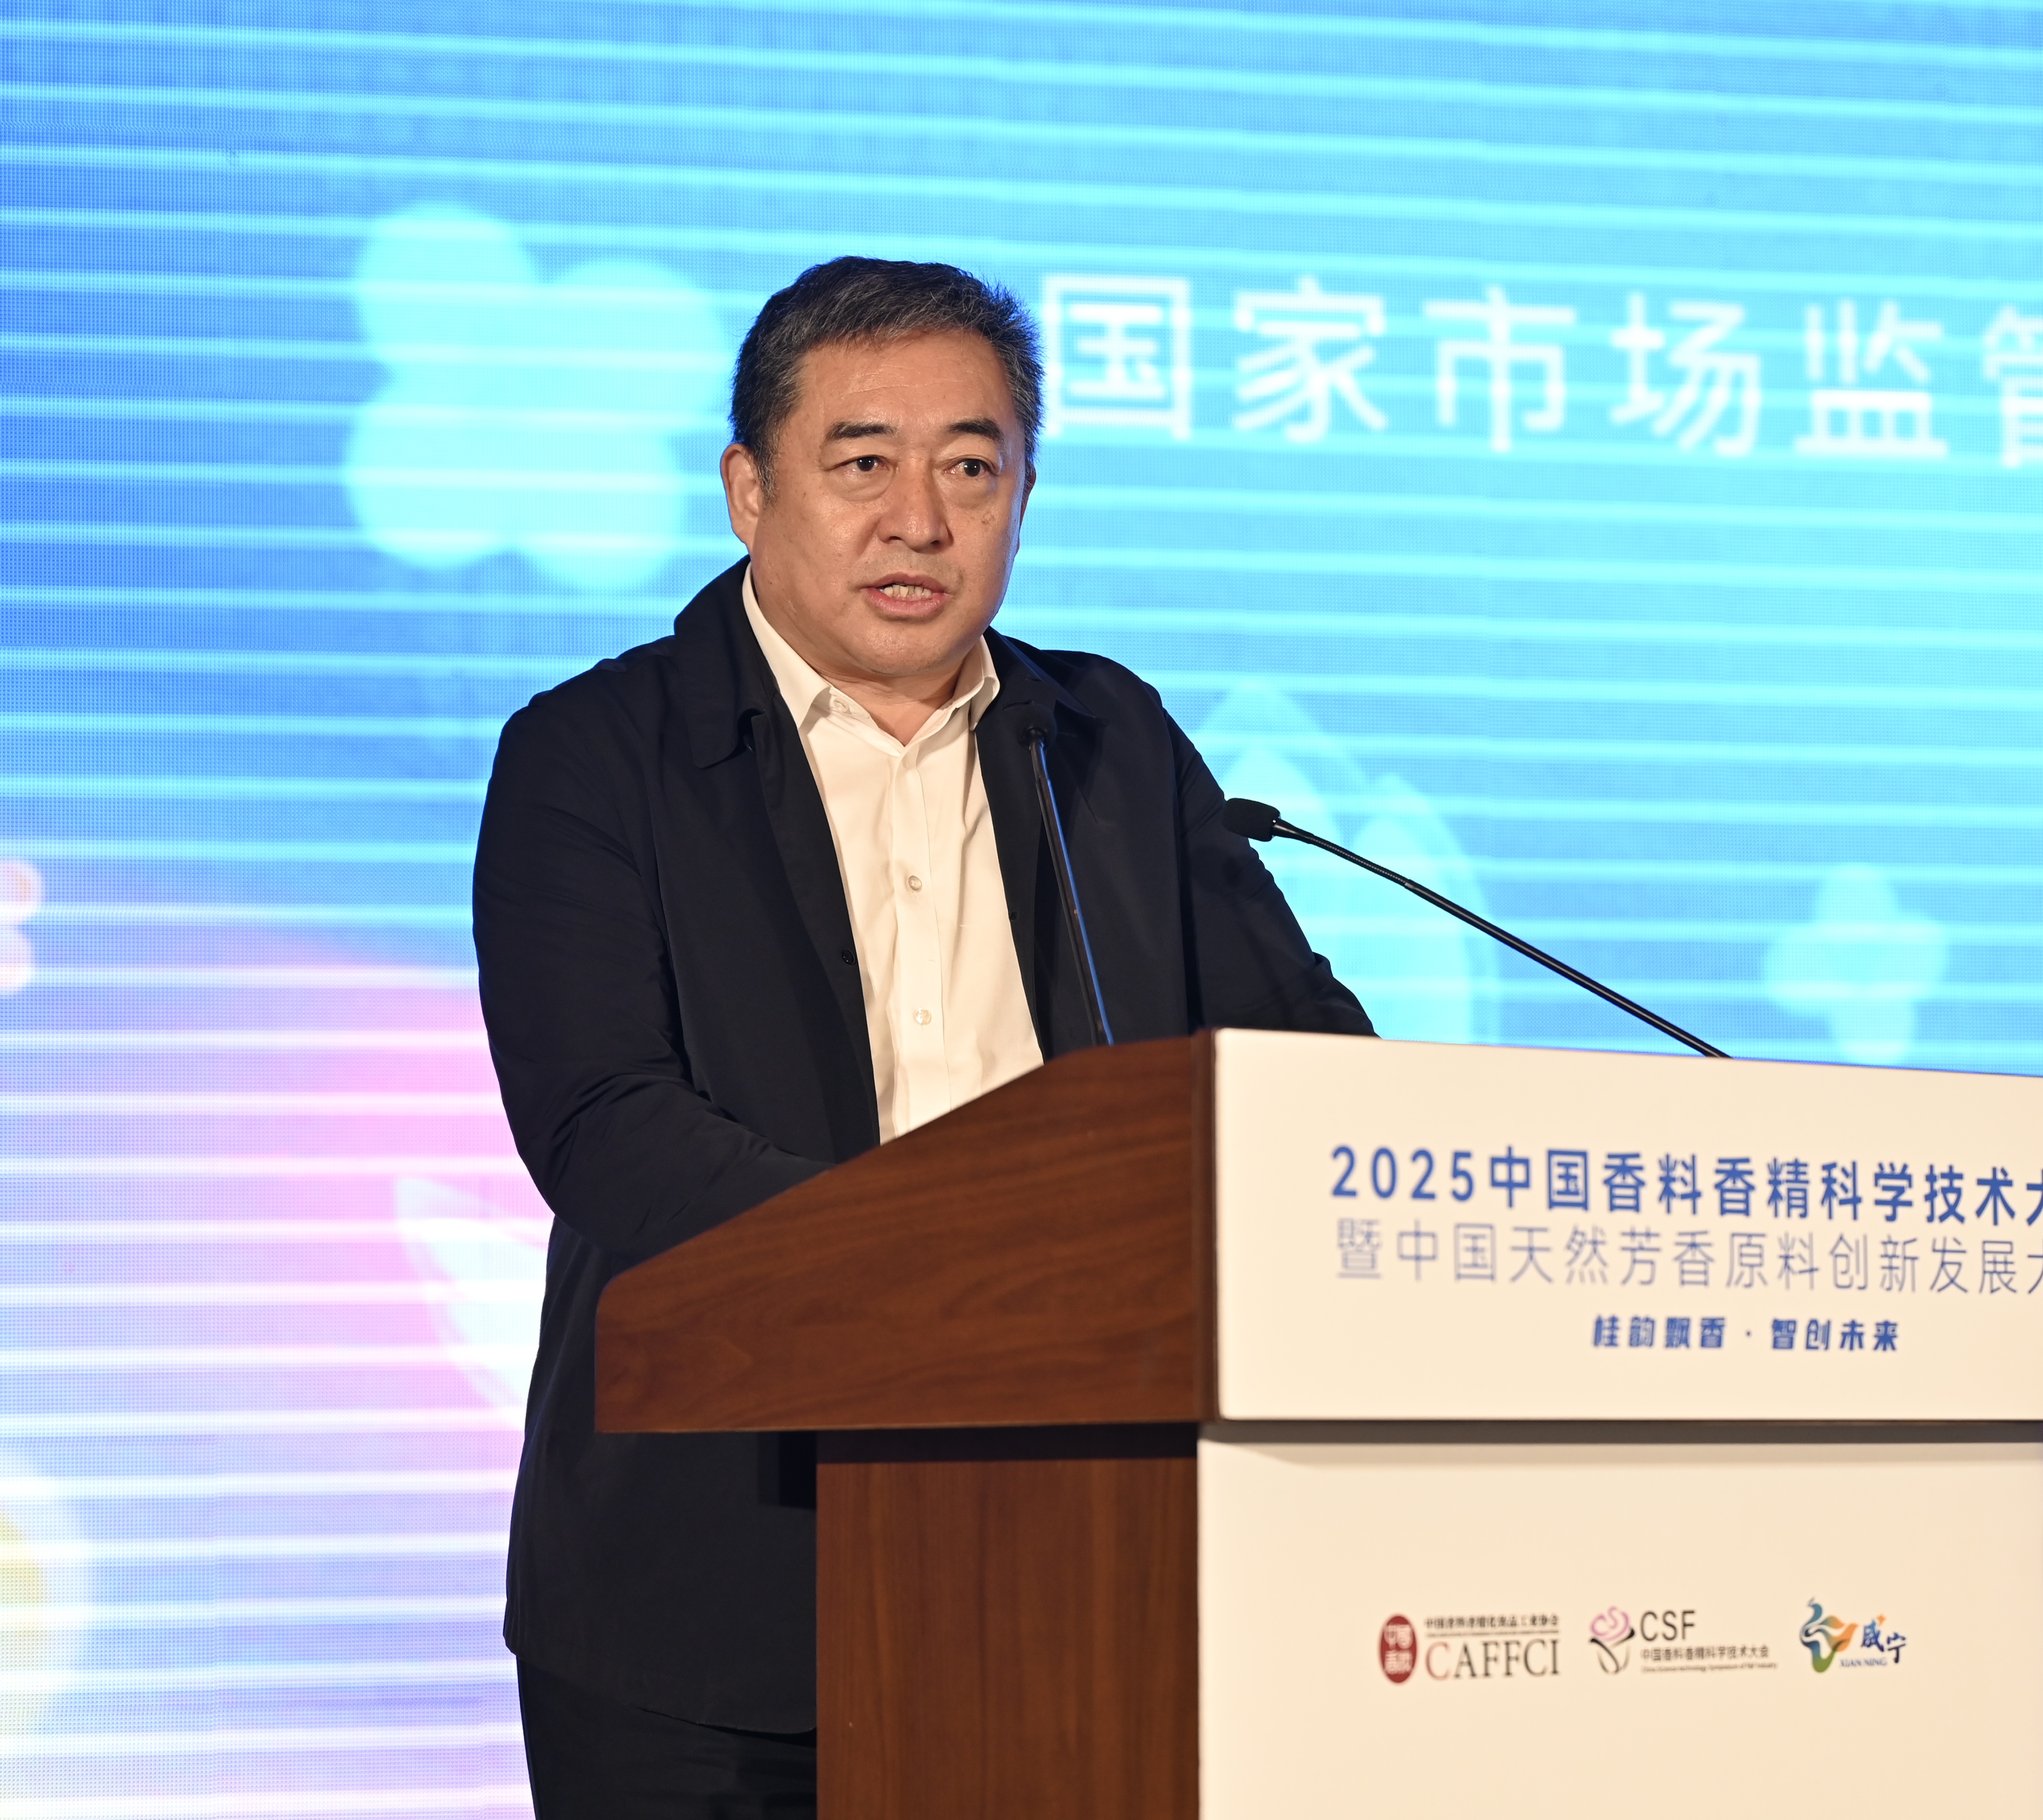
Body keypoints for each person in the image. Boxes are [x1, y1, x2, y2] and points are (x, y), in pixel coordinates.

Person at [472, 256, 1373, 1817]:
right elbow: (604, 1120)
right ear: (749, 491)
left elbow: (1302, 1065)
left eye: (971, 467)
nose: (920, 520)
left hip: (1088, 1567)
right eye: (862, 464)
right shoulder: (596, 753)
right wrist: (957, 1277)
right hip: (715, 1598)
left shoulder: (1106, 741)